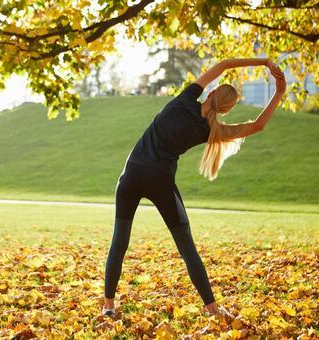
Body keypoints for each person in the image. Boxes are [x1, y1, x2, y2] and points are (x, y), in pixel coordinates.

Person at [102, 58, 286, 319]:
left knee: (119, 241)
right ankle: (212, 308)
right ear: (225, 110)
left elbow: (223, 64)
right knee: (187, 248)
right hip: (160, 180)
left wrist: (263, 62)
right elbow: (257, 125)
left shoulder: (186, 99)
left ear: (210, 93)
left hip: (131, 173)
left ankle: (109, 306)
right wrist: (278, 92)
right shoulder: (211, 130)